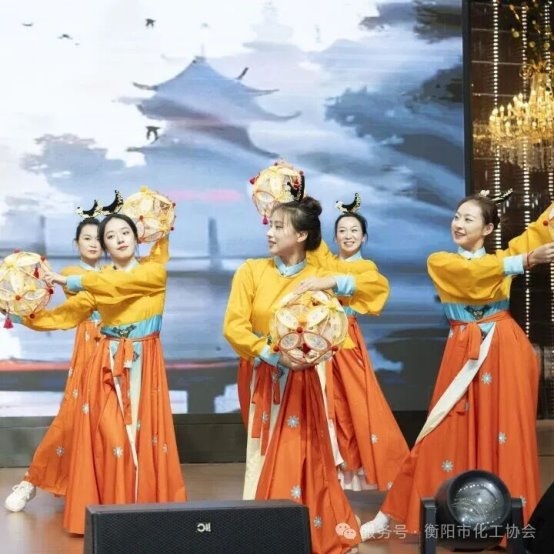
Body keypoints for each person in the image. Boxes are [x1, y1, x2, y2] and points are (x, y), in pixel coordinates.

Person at [361, 192, 554, 540]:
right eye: (456, 217)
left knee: (505, 432)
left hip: (504, 350)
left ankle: (504, 525)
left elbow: (540, 230)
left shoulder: (503, 259)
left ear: (488, 228)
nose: (458, 224)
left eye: (468, 219)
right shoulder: (442, 262)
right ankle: (394, 513)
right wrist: (524, 260)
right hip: (464, 351)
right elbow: (472, 276)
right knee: (438, 433)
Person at [223, 196, 389, 554]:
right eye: (270, 226)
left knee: (308, 452)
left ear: (300, 235)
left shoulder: (319, 270)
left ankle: (315, 527)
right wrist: (271, 354)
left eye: (278, 226)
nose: (269, 233)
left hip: (308, 378)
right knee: (264, 452)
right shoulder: (252, 271)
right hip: (264, 373)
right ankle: (265, 529)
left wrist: (328, 283)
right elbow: (234, 327)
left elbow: (374, 287)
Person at [11, 213, 186, 534]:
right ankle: (114, 516)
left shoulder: (152, 271)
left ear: (135, 237)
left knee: (142, 437)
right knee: (111, 437)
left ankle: (142, 514)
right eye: (111, 236)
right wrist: (24, 316)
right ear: (105, 246)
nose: (119, 239)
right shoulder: (100, 280)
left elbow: (120, 285)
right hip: (106, 363)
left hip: (144, 364)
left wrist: (71, 281)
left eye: (125, 232)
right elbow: (67, 315)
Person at [4, 217, 103, 512]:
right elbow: (66, 315)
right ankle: (31, 480)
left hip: (120, 347)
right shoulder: (72, 275)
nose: (94, 243)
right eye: (87, 238)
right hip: (91, 347)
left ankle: (99, 487)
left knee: (108, 422)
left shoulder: (114, 274)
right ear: (76, 243)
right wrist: (22, 313)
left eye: (99, 238)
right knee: (72, 418)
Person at [312, 203, 409, 492]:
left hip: (345, 338)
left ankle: (367, 465)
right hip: (318, 339)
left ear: (364, 237)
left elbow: (373, 286)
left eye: (354, 230)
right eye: (342, 230)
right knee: (323, 400)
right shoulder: (325, 262)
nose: (348, 235)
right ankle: (325, 469)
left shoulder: (366, 269)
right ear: (334, 237)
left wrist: (333, 281)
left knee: (356, 401)